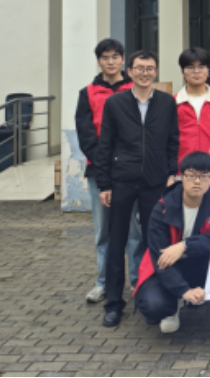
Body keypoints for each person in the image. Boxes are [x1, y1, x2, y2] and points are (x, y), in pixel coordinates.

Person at [95, 50, 180, 327]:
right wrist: (104, 183)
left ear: (156, 71)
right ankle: (113, 303)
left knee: (154, 240)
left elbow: (173, 140)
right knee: (116, 241)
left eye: (150, 68)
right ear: (129, 71)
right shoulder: (115, 103)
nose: (145, 73)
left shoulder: (166, 102)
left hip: (155, 181)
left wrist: (171, 173)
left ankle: (154, 293)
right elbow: (105, 144)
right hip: (122, 181)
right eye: (140, 68)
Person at [134, 151, 210, 349]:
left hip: (204, 262)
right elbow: (159, 255)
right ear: (181, 177)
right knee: (153, 306)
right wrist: (184, 290)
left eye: (204, 176)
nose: (197, 181)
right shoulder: (162, 208)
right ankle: (173, 306)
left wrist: (185, 245)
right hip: (169, 266)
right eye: (191, 175)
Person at [74, 38, 142, 304]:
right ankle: (103, 282)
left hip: (131, 171)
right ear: (98, 61)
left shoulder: (135, 88)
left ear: (123, 60)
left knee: (134, 231)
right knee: (103, 231)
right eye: (105, 57)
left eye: (115, 57)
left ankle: (137, 280)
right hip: (100, 172)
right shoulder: (87, 93)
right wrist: (104, 165)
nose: (111, 62)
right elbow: (86, 136)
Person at [176, 48, 210, 170]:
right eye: (190, 67)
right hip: (181, 173)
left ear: (208, 70)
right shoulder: (173, 103)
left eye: (201, 67)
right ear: (183, 72)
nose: (196, 71)